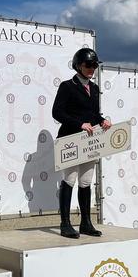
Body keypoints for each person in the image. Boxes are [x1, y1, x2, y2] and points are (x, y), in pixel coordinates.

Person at [52, 48, 111, 238]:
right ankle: (65, 224)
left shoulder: (94, 88)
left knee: (86, 181)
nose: (92, 68)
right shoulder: (67, 86)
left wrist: (102, 120)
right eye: (88, 65)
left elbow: (92, 113)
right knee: (69, 180)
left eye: (95, 65)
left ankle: (86, 223)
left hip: (88, 142)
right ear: (78, 66)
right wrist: (79, 124)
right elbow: (57, 112)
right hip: (70, 140)